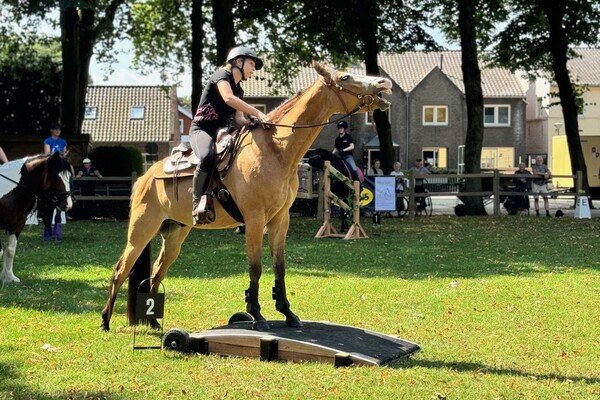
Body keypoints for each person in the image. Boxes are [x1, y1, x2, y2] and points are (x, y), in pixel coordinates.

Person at [189, 46, 268, 225]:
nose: (253, 69)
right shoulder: (221, 76)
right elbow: (228, 99)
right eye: (251, 64)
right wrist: (256, 112)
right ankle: (196, 204)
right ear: (238, 62)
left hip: (221, 133)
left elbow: (239, 119)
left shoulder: (239, 91)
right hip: (202, 130)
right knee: (207, 156)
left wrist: (250, 123)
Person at [42, 122, 69, 242]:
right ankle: (41, 194)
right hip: (52, 164)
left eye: (59, 130)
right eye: (56, 130)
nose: (58, 131)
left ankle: (70, 193)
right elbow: (47, 154)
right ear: (52, 130)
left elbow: (64, 153)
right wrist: (56, 155)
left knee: (70, 173)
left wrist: (64, 155)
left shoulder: (63, 141)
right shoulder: (47, 141)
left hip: (61, 163)